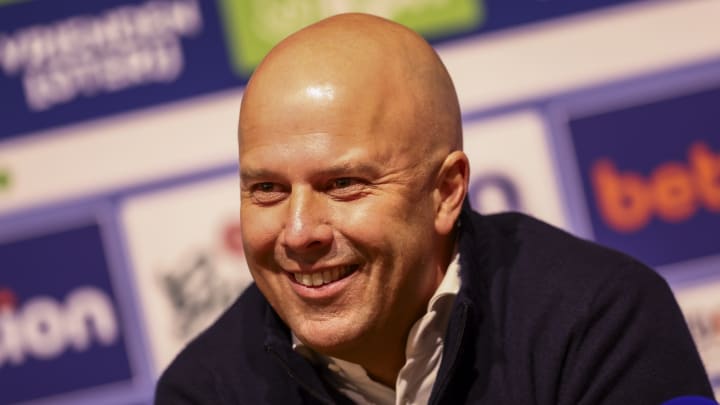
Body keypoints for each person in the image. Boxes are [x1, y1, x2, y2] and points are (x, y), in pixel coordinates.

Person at [155, 13, 714, 404]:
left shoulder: (597, 320)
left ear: (446, 192)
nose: (299, 232)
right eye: (267, 190)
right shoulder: (205, 391)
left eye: (343, 184)